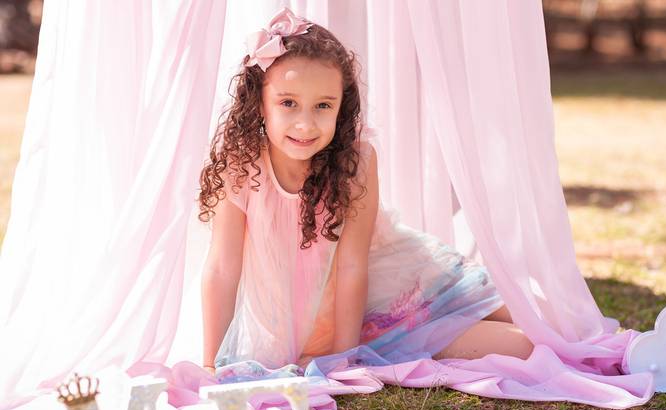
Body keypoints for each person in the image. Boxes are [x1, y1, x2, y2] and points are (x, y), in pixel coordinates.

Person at [197, 7, 534, 380]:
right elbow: (222, 267)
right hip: (359, 321)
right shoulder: (241, 165)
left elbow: (352, 266)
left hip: (401, 283)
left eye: (323, 106)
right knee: (525, 347)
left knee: (539, 323)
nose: (305, 124)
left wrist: (343, 358)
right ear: (259, 102)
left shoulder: (354, 161)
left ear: (341, 108)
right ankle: (427, 338)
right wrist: (210, 363)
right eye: (288, 103)